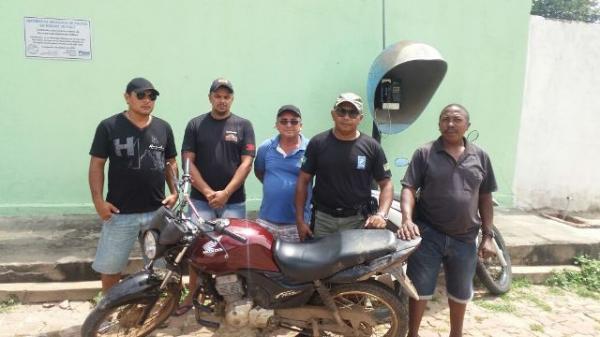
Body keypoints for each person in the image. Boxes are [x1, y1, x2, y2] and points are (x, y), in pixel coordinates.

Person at [397, 103, 497, 337]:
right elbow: (409, 188)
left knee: (460, 291)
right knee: (419, 289)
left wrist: (488, 235)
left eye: (457, 119)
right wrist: (407, 219)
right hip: (428, 234)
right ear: (439, 124)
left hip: (465, 237)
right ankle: (413, 334)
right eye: (445, 119)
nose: (450, 124)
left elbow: (485, 197)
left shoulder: (480, 156)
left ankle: (456, 334)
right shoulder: (425, 153)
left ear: (467, 125)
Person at [89, 77, 178, 294]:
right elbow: (97, 165)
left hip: (156, 212)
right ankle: (109, 309)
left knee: (159, 266)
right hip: (120, 212)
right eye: (141, 95)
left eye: (152, 96)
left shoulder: (163, 127)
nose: (147, 100)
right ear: (127, 97)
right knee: (111, 268)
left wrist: (175, 192)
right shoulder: (109, 126)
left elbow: (170, 162)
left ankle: (157, 311)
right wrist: (99, 201)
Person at [176, 78, 255, 315]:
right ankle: (191, 296)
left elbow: (247, 163)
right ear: (210, 97)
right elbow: (187, 161)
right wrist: (210, 192)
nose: (222, 100)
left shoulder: (244, 125)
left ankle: (234, 298)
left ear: (232, 98)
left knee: (234, 251)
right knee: (197, 250)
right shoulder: (195, 124)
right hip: (201, 201)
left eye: (227, 96)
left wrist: (226, 192)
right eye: (218, 96)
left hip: (233, 201)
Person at [295, 92, 393, 241]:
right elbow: (303, 180)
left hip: (357, 222)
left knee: (357, 264)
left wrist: (381, 215)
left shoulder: (372, 147)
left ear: (360, 118)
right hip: (323, 221)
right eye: (342, 111)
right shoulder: (317, 143)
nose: (346, 117)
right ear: (333, 114)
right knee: (323, 263)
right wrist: (300, 220)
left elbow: (386, 184)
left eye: (353, 113)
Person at [254, 104, 311, 242]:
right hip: (266, 222)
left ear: (301, 126)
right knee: (263, 263)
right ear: (277, 125)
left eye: (294, 121)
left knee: (295, 263)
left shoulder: (311, 148)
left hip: (296, 224)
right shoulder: (266, 148)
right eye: (284, 121)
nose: (289, 125)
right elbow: (260, 172)